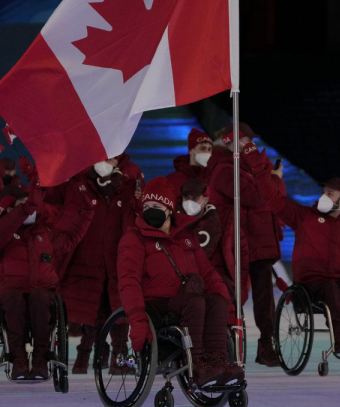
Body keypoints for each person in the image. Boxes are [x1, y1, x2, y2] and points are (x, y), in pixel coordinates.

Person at [243, 144, 340, 354]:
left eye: (330, 194)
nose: (323, 196)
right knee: (331, 288)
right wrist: (259, 164)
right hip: (313, 282)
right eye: (324, 192)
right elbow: (273, 199)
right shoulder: (304, 217)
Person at [118, 177, 243, 387]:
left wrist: (228, 308)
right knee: (195, 302)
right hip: (155, 305)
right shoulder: (134, 239)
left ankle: (217, 363)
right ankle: (196, 365)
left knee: (216, 301)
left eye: (156, 206)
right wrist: (137, 319)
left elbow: (209, 274)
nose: (150, 211)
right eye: (146, 206)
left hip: (186, 300)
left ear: (168, 209)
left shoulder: (186, 237)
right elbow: (128, 281)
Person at [0, 183, 93, 380]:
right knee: (14, 298)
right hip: (10, 294)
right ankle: (18, 357)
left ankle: (40, 357)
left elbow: (71, 238)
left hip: (40, 293)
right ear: (9, 209)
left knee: (40, 297)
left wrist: (87, 210)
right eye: (25, 205)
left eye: (32, 205)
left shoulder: (44, 233)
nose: (31, 209)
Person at [207, 122, 284, 367]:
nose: (249, 145)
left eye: (250, 141)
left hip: (258, 241)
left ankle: (266, 345)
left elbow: (273, 199)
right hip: (235, 244)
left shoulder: (251, 168)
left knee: (264, 299)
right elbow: (257, 197)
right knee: (232, 296)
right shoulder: (223, 170)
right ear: (229, 142)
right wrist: (271, 177)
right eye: (244, 141)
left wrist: (269, 177)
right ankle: (227, 346)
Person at [51, 159, 137, 375]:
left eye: (110, 158)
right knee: (91, 312)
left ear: (117, 160)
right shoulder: (79, 185)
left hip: (117, 260)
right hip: (86, 258)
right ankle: (83, 357)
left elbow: (131, 222)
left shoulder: (127, 187)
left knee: (119, 311)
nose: (105, 162)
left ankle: (121, 357)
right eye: (101, 156)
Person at [181, 177, 250, 302]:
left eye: (195, 198)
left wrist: (243, 285)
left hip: (218, 277)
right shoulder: (175, 223)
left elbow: (242, 252)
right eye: (186, 198)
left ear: (205, 199)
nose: (189, 202)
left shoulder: (223, 221)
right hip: (187, 277)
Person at [167, 128, 214, 205]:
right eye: (203, 148)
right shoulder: (173, 179)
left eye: (209, 149)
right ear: (191, 150)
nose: (207, 153)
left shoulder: (212, 177)